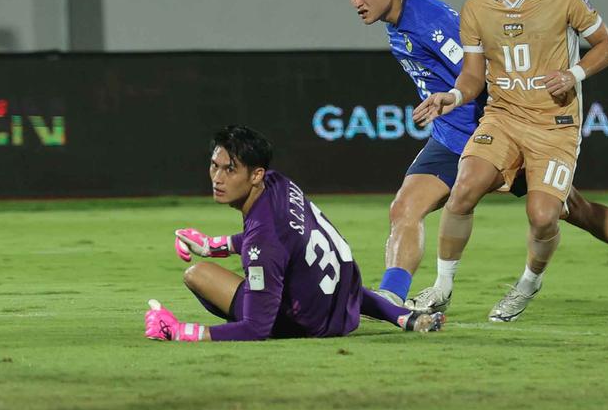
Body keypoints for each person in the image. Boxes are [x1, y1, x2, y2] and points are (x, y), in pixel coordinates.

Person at [339, 0, 608, 320]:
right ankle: (391, 300)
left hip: (498, 132)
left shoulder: (426, 20)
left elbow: (484, 72)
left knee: (573, 211)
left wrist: (502, 121)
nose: (356, 2)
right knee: (404, 209)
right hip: (450, 138)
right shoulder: (397, 23)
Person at [143, 125, 445, 342]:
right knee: (308, 271)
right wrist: (212, 245)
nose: (218, 179)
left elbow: (255, 329)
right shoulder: (280, 184)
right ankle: (402, 316)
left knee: (198, 274)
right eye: (214, 167)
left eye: (230, 170)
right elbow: (286, 240)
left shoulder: (262, 242)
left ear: (256, 174)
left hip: (313, 325)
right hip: (346, 305)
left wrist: (181, 332)